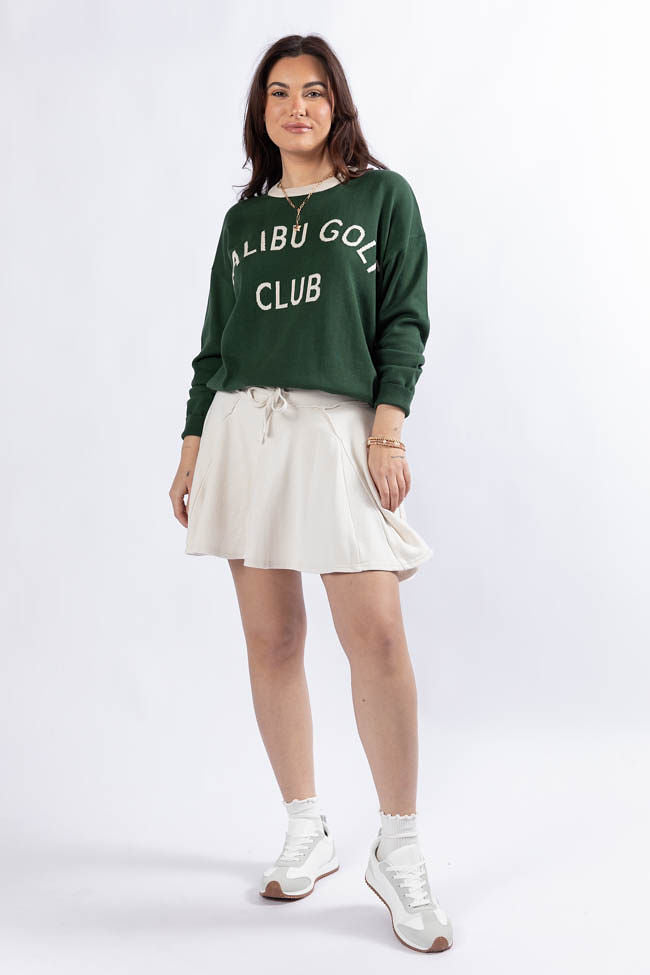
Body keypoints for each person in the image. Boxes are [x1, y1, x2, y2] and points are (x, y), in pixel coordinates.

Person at [169, 33, 453, 953]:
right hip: (242, 430)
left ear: (338, 105)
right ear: (261, 112)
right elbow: (215, 346)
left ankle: (399, 846)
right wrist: (192, 446)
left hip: (337, 429)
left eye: (315, 91)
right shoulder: (243, 222)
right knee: (273, 637)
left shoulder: (381, 197)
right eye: (281, 92)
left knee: (376, 636)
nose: (298, 106)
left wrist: (387, 426)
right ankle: (306, 825)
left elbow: (403, 318)